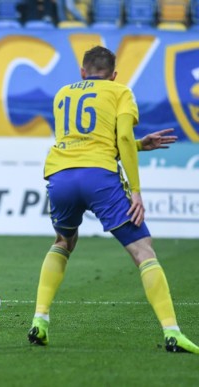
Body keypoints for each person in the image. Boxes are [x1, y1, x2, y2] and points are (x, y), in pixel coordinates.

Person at [27, 45, 199, 354]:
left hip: (60, 175)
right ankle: (172, 332)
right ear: (114, 74)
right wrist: (135, 189)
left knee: (63, 240)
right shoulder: (121, 92)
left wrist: (140, 145)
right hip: (99, 178)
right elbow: (117, 140)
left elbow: (85, 139)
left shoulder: (63, 93)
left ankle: (40, 319)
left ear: (83, 71)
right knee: (143, 250)